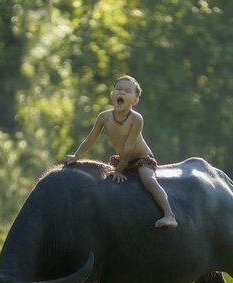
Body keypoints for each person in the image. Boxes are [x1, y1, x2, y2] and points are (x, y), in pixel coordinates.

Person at [65, 75, 178, 228]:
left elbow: (129, 147)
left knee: (148, 180)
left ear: (135, 100)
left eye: (127, 91)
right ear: (112, 95)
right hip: (122, 158)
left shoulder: (136, 119)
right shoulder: (104, 117)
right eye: (118, 89)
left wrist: (119, 170)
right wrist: (77, 155)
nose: (122, 93)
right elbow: (91, 138)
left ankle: (169, 214)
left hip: (140, 159)